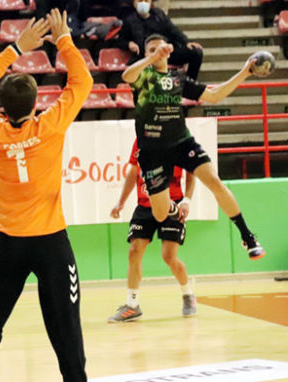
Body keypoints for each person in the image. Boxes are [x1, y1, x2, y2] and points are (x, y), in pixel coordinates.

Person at [0, 10, 93, 382]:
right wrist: (64, 38)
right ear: (36, 104)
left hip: (9, 246)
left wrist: (18, 46)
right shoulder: (50, 126)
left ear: (0, 105)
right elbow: (81, 80)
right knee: (66, 332)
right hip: (50, 242)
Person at [122, 34, 265, 259]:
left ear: (169, 53)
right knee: (160, 214)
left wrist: (245, 72)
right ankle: (172, 207)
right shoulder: (143, 77)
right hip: (153, 152)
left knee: (214, 181)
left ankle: (248, 236)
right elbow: (126, 75)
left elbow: (215, 95)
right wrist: (152, 58)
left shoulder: (178, 79)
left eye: (161, 48)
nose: (157, 52)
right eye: (151, 49)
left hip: (181, 142)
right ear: (145, 54)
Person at [107, 140, 196, 322]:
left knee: (169, 256)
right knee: (134, 251)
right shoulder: (140, 140)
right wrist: (121, 201)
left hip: (172, 204)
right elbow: (133, 171)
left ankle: (188, 295)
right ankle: (132, 305)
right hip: (145, 206)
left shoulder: (177, 137)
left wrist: (187, 199)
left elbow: (191, 169)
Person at [116, 0, 203, 80]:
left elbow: (173, 30)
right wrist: (129, 44)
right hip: (146, 57)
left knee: (196, 52)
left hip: (165, 53)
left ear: (150, 3)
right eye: (139, 0)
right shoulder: (129, 20)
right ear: (134, 3)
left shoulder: (159, 14)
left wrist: (186, 42)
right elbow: (120, 40)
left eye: (146, 0)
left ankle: (190, 86)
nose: (143, 3)